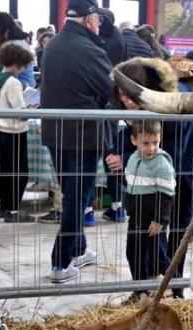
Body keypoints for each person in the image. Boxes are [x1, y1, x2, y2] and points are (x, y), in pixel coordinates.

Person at [109, 57, 193, 299]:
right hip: (144, 190)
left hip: (178, 178)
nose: (126, 101)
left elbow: (171, 153)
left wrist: (126, 156)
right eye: (122, 95)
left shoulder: (175, 102)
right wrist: (116, 158)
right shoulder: (130, 111)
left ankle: (176, 289)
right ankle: (142, 289)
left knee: (177, 233)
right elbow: (125, 140)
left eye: (130, 95)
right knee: (140, 238)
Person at [41, 0, 116, 283]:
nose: (99, 25)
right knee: (77, 199)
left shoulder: (54, 44)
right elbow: (108, 87)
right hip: (83, 136)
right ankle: (60, 262)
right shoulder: (89, 48)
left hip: (56, 134)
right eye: (98, 20)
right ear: (88, 19)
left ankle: (79, 249)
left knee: (72, 194)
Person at [124, 121, 176, 304]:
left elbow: (167, 195)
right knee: (133, 254)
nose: (151, 148)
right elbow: (130, 186)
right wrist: (127, 207)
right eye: (145, 143)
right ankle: (140, 291)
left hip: (154, 222)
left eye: (155, 142)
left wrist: (159, 221)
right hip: (136, 219)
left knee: (158, 257)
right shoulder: (132, 159)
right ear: (134, 140)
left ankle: (177, 286)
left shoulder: (162, 164)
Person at [0, 44, 36, 223]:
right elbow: (20, 113)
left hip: (2, 129)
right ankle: (14, 210)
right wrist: (32, 109)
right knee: (19, 172)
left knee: (6, 170)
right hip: (16, 131)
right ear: (17, 63)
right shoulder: (13, 82)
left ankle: (4, 206)